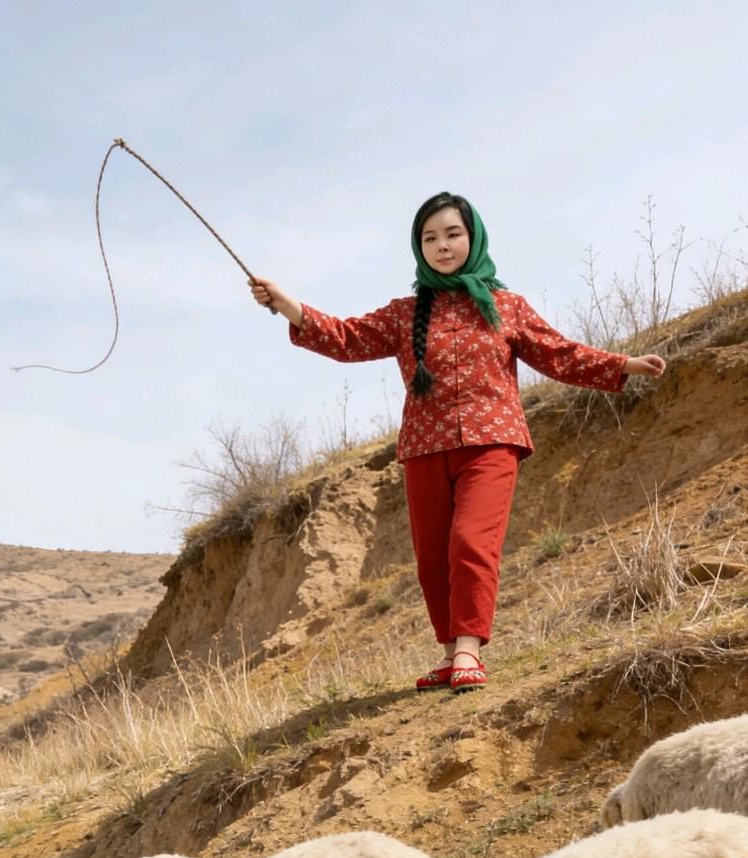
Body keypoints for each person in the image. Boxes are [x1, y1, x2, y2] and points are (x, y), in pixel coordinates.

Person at [249, 192, 666, 694]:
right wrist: (285, 303)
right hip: (424, 448)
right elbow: (346, 338)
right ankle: (450, 655)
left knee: (471, 542)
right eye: (430, 238)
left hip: (493, 442)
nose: (442, 246)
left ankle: (469, 651)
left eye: (452, 234)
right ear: (417, 247)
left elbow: (559, 354)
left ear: (473, 238)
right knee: (432, 559)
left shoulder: (507, 307)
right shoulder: (404, 314)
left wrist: (622, 364)